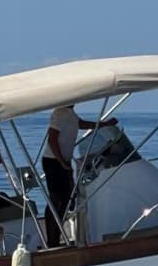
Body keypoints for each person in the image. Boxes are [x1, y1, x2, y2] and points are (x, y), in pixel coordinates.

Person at [41, 105, 116, 246]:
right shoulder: (60, 112)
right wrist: (62, 162)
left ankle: (55, 238)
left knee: (65, 199)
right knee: (57, 200)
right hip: (53, 161)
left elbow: (81, 124)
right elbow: (52, 139)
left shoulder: (70, 113)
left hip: (62, 161)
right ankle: (52, 241)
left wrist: (104, 125)